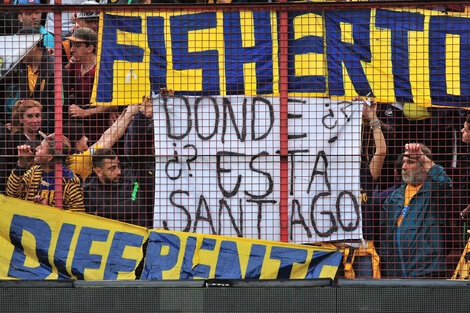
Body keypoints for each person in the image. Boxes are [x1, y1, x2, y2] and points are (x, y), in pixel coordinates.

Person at [380, 143, 452, 278]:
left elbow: (446, 184)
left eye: (410, 162)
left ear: (424, 168)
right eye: (403, 162)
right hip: (396, 274)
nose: (403, 167)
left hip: (427, 272)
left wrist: (422, 157)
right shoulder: (393, 198)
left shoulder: (433, 193)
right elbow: (386, 239)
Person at [83, 96, 154, 227]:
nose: (118, 172)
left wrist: (102, 212)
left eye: (118, 166)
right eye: (112, 169)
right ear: (98, 171)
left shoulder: (130, 177)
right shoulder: (89, 190)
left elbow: (134, 205)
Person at [64, 97, 143, 181]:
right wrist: (129, 114)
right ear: (76, 142)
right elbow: (111, 138)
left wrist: (123, 116)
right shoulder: (80, 160)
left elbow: (104, 137)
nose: (87, 138)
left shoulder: (75, 157)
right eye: (83, 137)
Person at [6, 131, 85, 211]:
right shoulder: (34, 172)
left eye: (40, 148)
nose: (36, 149)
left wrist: (48, 210)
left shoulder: (70, 182)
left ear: (49, 157)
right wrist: (21, 165)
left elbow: (77, 216)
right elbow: (12, 194)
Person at [64, 27, 115, 143]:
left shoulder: (102, 70)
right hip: (80, 126)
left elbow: (112, 103)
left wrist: (84, 112)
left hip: (99, 126)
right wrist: (68, 66)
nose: (72, 50)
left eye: (77, 45)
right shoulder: (75, 65)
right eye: (72, 45)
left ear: (90, 48)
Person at [0, 28, 55, 134]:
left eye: (20, 47)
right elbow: (4, 79)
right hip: (26, 125)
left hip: (46, 129)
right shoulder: (22, 66)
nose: (18, 52)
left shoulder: (54, 70)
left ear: (33, 47)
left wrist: (25, 124)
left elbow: (56, 110)